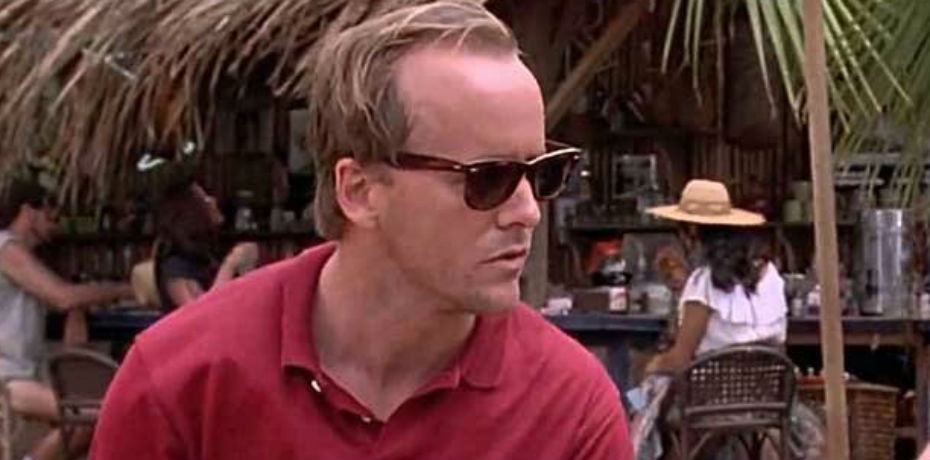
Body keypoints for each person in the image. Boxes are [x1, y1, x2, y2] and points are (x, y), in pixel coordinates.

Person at [90, 2, 634, 459]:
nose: (528, 211)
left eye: (542, 174)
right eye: (488, 179)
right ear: (359, 190)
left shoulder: (569, 409)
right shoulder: (184, 383)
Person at [0, 178, 134, 460]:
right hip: (6, 378)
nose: (55, 224)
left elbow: (62, 299)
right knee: (99, 412)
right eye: (51, 215)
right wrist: (127, 289)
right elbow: (62, 296)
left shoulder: (21, 255)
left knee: (90, 415)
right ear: (29, 212)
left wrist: (76, 308)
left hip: (19, 374)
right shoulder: (6, 248)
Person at [643, 179, 786, 373]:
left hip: (710, 389)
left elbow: (680, 359)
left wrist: (652, 366)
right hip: (767, 387)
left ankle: (633, 391)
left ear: (691, 233)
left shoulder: (703, 283)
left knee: (642, 380)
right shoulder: (770, 274)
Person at [153, 176, 258, 310]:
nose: (212, 201)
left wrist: (246, 270)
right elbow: (202, 313)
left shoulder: (210, 253)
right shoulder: (176, 265)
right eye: (203, 198)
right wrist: (230, 266)